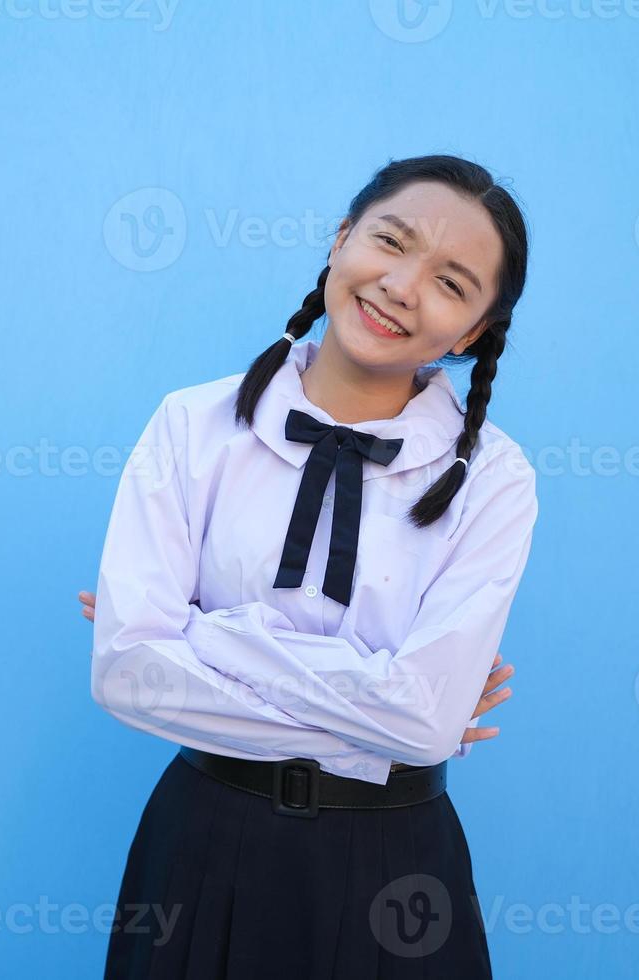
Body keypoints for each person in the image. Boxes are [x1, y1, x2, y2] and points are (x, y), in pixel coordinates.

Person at [83, 154, 538, 978]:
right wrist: (381, 709)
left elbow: (425, 724)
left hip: (398, 869)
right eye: (389, 241)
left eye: (451, 283)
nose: (401, 285)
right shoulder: (192, 426)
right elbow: (126, 675)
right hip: (203, 841)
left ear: (472, 332)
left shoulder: (495, 480)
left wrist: (202, 635)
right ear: (340, 241)